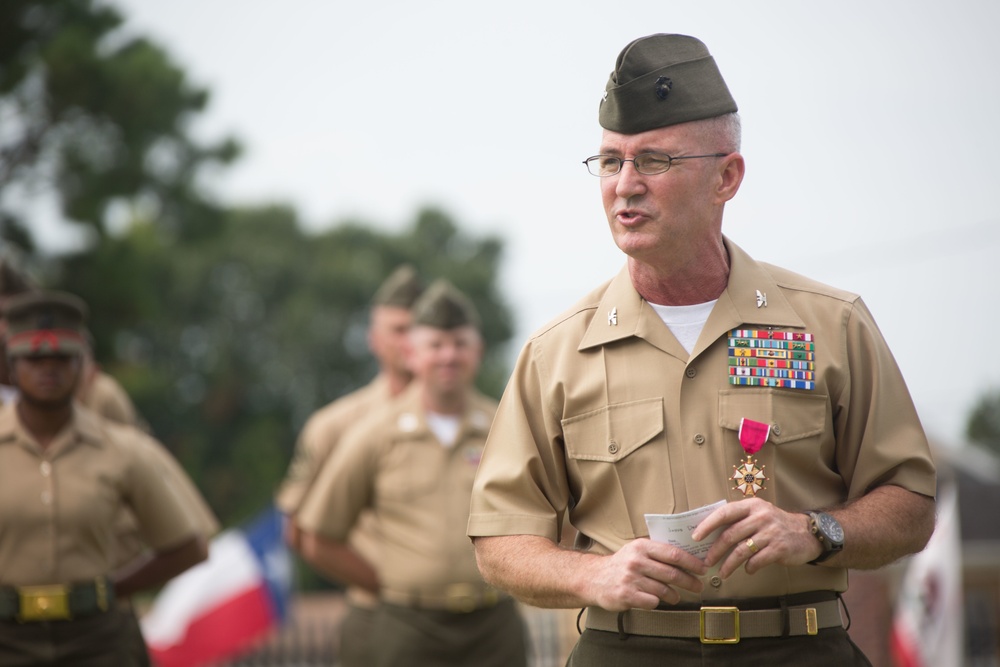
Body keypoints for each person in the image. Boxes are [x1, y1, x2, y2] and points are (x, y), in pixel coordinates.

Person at [468, 33, 937, 666]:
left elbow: (910, 506)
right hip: (626, 650)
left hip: (799, 650)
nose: (625, 185)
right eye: (610, 161)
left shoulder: (831, 324)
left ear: (727, 176)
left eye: (655, 161)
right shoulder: (557, 352)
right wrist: (589, 576)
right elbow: (501, 538)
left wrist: (814, 532)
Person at [296, 280, 529, 667]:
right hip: (408, 627)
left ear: (478, 350)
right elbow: (318, 537)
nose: (448, 356)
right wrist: (386, 584)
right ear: (411, 353)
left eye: (459, 344)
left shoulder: (506, 427)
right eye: (435, 345)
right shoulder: (374, 434)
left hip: (495, 624)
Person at [0, 290, 210, 666]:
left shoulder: (122, 449)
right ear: (11, 367)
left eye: (62, 357)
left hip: (97, 639)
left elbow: (187, 546)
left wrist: (113, 588)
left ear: (83, 365)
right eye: (34, 357)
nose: (49, 368)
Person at [275, 264, 422, 667]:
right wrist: (383, 585)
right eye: (398, 329)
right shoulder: (334, 426)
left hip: (465, 615)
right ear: (373, 340)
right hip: (377, 613)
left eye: (419, 328)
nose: (410, 340)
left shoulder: (478, 422)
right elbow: (296, 528)